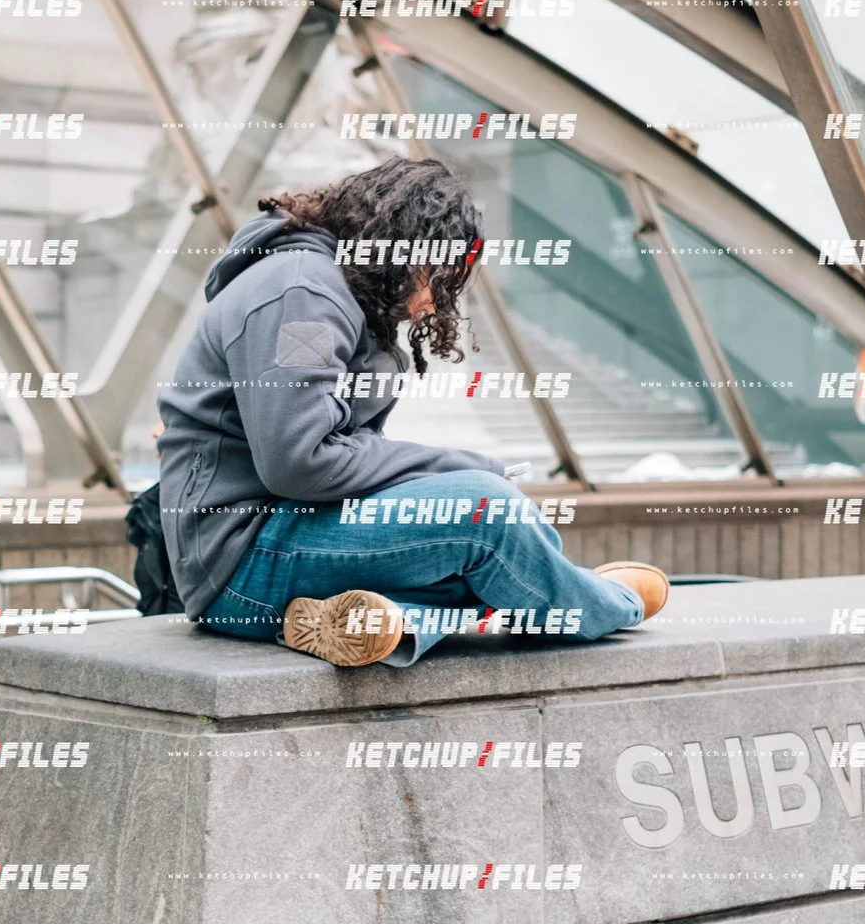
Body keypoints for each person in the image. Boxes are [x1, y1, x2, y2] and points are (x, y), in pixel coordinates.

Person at [157, 156, 667, 668]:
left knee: (489, 560)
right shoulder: (301, 295)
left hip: (274, 544)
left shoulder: (329, 288)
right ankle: (606, 603)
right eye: (436, 276)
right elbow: (301, 459)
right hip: (241, 563)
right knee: (486, 512)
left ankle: (365, 620)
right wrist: (461, 466)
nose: (432, 302)